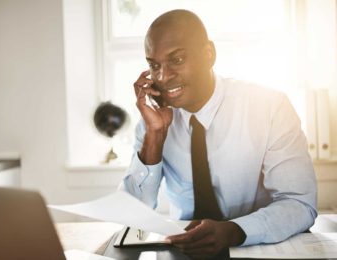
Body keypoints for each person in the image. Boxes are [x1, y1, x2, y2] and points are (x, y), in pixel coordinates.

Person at [119, 9, 317, 259]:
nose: (163, 77)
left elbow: (299, 204)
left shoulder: (270, 107)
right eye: (154, 65)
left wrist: (234, 231)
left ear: (209, 54)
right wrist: (155, 137)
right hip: (183, 253)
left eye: (177, 60)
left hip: (257, 248)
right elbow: (132, 213)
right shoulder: (153, 123)